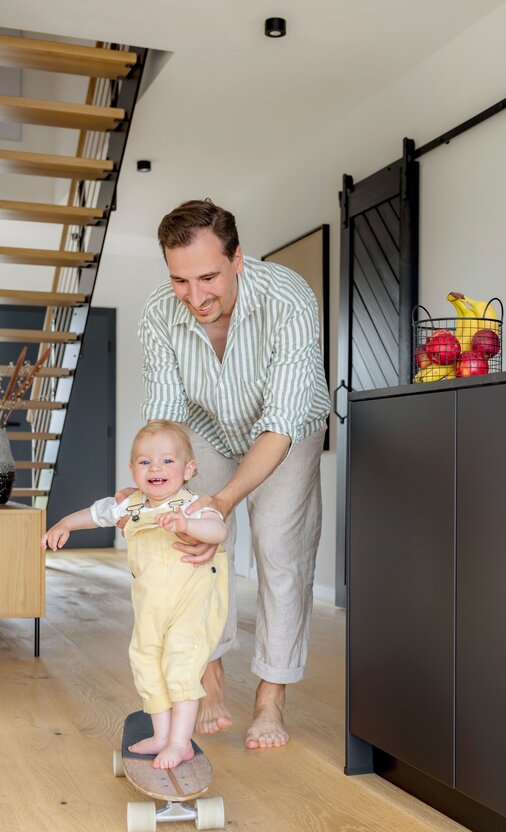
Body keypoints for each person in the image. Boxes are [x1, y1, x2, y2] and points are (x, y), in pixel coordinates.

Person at [138, 199, 330, 750]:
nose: (196, 298)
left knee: (279, 549)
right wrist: (159, 491)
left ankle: (271, 695)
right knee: (195, 544)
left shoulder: (288, 297)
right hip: (205, 428)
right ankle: (211, 673)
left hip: (285, 430)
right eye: (180, 280)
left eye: (208, 277)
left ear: (237, 259)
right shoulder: (158, 313)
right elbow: (167, 419)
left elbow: (279, 424)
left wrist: (222, 501)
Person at [42, 420, 228, 771]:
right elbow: (95, 515)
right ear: (132, 470)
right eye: (145, 462)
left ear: (189, 469)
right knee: (145, 661)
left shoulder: (192, 507)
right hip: (150, 610)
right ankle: (161, 734)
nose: (155, 468)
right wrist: (64, 523)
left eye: (167, 461)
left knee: (180, 666)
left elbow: (217, 529)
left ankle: (180, 742)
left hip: (190, 607)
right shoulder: (131, 506)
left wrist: (187, 525)